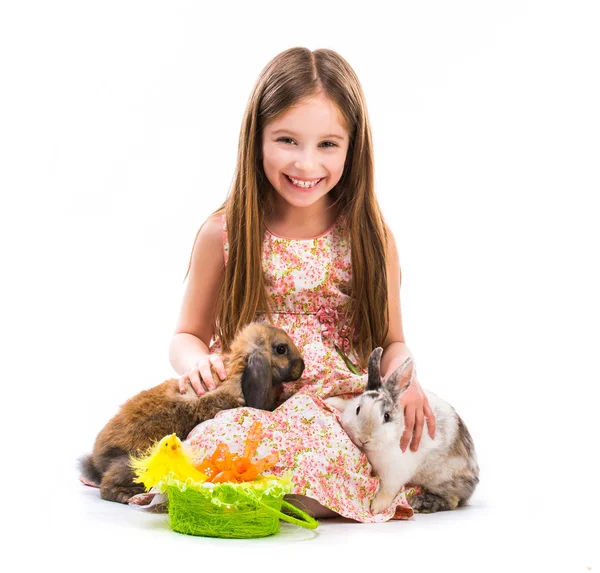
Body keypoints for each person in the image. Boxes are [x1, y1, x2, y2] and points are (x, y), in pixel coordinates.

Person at [148, 47, 436, 522]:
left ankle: (297, 487)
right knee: (219, 447)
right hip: (249, 392)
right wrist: (197, 362)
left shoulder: (368, 236)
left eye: (328, 144)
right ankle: (271, 487)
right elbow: (187, 334)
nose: (306, 164)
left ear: (353, 147)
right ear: (257, 139)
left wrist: (409, 382)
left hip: (330, 402)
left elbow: (392, 341)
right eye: (287, 140)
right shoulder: (225, 232)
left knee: (325, 453)